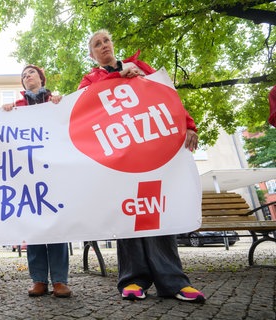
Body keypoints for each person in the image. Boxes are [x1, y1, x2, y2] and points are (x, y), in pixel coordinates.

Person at [78, 29, 205, 303]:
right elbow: (80, 108)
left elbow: (166, 97)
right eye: (97, 45)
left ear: (113, 44)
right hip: (119, 161)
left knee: (156, 213)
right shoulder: (89, 80)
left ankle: (174, 281)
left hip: (151, 153)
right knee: (128, 216)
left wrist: (189, 125)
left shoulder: (141, 69)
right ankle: (133, 280)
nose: (103, 46)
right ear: (92, 55)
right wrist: (115, 78)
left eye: (106, 41)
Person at [2, 65, 71, 298]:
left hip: (54, 172)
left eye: (30, 73)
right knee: (34, 226)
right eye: (23, 75)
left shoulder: (55, 102)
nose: (26, 77)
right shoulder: (18, 107)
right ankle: (39, 279)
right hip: (28, 174)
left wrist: (60, 105)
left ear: (41, 78)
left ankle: (60, 280)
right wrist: (5, 112)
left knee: (57, 225)